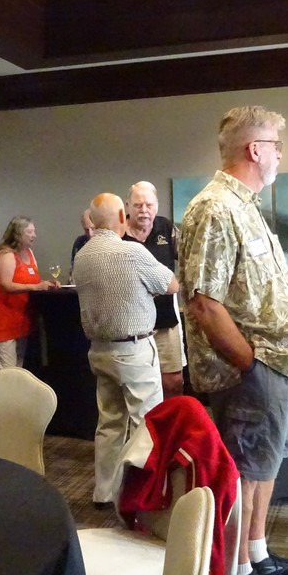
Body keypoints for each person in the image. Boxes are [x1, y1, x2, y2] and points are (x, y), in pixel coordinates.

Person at [179, 106, 288, 575]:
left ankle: (255, 553)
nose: (280, 155)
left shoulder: (246, 206)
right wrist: (250, 363)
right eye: (276, 146)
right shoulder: (215, 208)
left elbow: (245, 286)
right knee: (241, 471)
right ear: (255, 149)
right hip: (250, 372)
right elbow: (205, 303)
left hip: (276, 365)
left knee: (263, 465)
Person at [72, 192, 178, 506]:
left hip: (99, 352)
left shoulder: (82, 256)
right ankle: (146, 494)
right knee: (148, 422)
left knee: (109, 423)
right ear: (122, 216)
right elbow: (171, 284)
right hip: (133, 352)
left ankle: (104, 492)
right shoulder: (131, 252)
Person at [123, 181, 185, 397]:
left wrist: (181, 285)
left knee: (173, 382)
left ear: (156, 206)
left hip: (165, 320)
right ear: (127, 206)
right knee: (138, 386)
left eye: (149, 205)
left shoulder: (165, 228)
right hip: (132, 325)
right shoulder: (118, 235)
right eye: (138, 205)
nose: (144, 210)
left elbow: (189, 256)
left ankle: (172, 418)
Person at [0, 216, 58, 369]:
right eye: (30, 232)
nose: (34, 235)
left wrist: (47, 284)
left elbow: (32, 281)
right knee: (7, 371)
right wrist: (35, 287)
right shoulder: (5, 254)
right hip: (5, 319)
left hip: (23, 317)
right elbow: (6, 285)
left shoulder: (29, 253)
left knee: (18, 368)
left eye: (34, 231)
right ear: (18, 233)